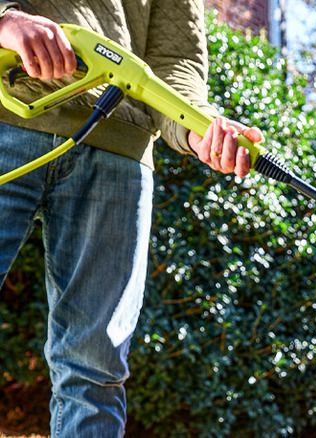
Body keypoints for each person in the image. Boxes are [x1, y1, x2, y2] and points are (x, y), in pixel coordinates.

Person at [0, 1, 262, 436]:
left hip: (119, 149)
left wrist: (198, 127)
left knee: (95, 367)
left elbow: (175, 61)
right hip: (8, 117)